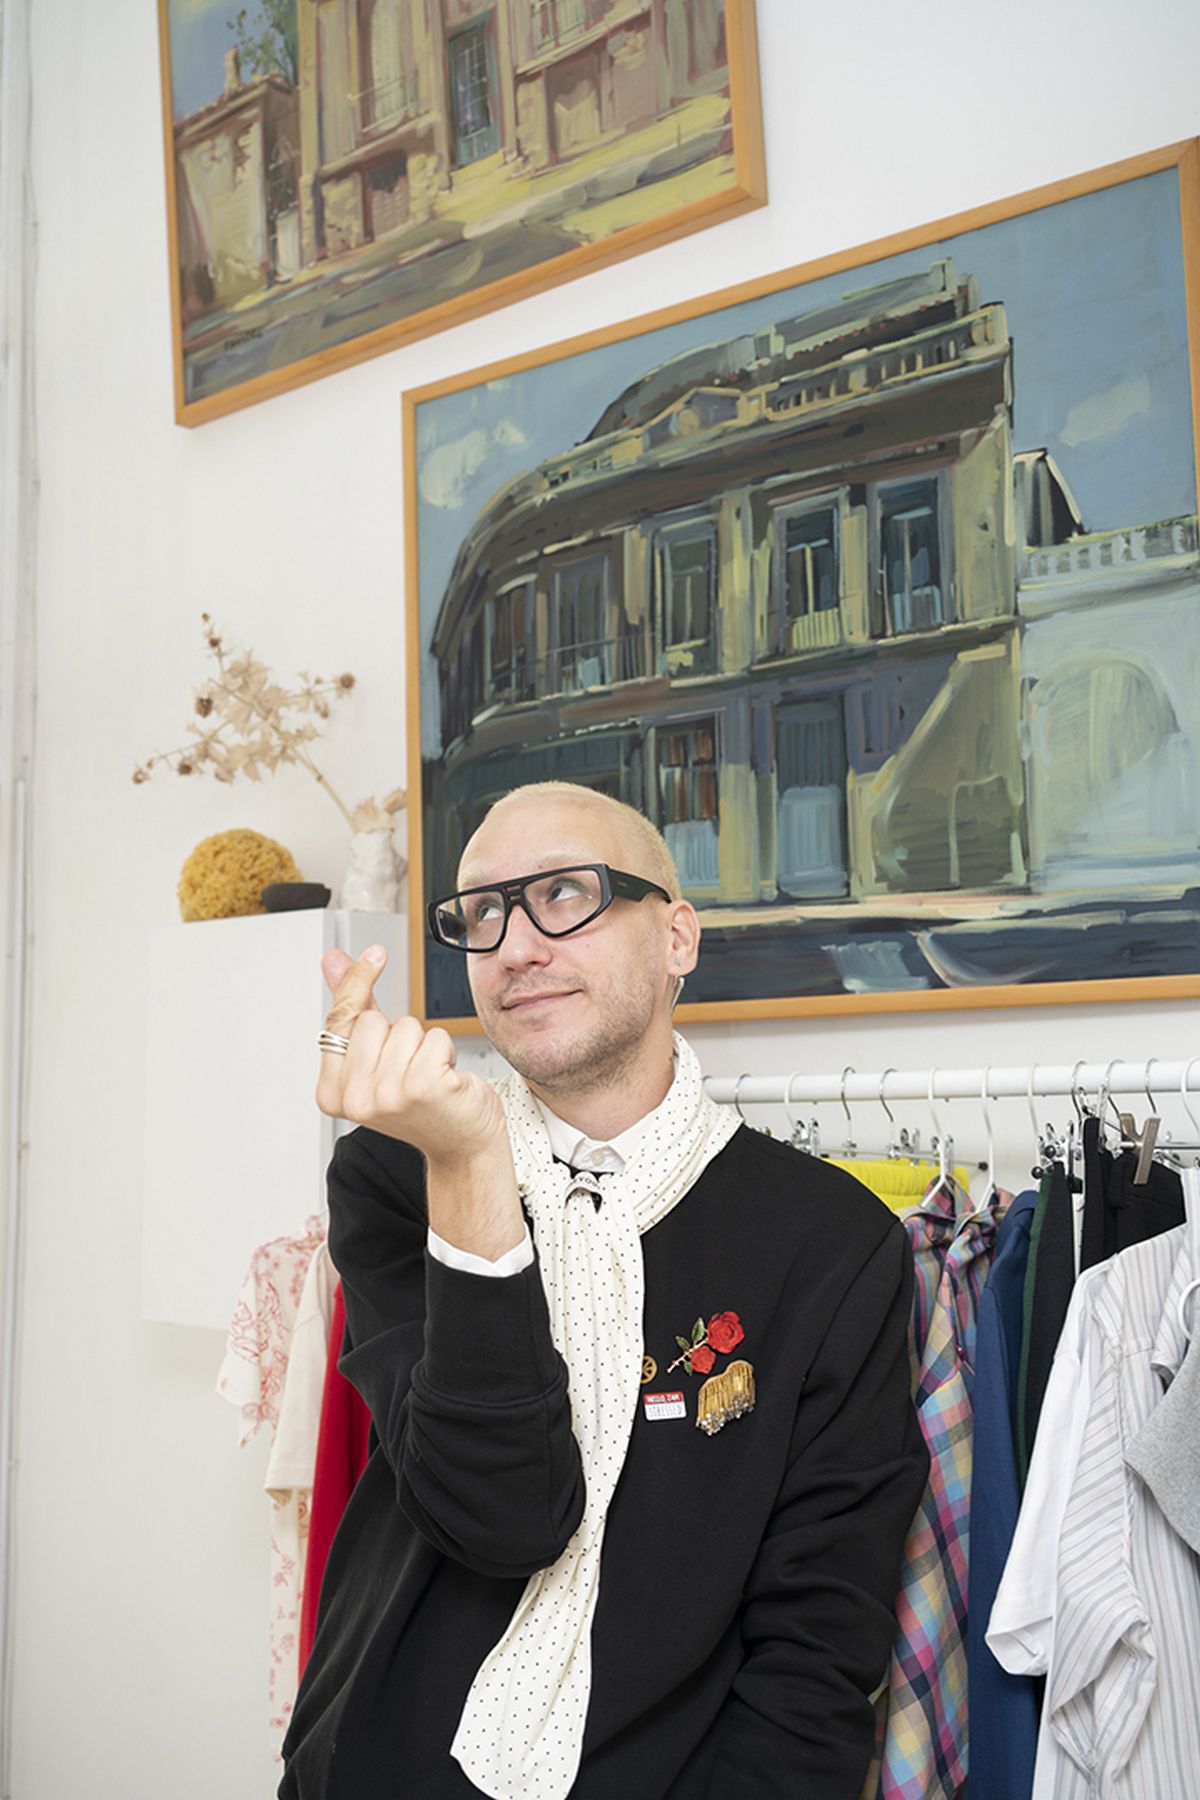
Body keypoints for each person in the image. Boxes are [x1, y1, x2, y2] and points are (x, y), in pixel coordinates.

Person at [280, 782, 928, 1799]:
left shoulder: (831, 1243)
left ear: (677, 939)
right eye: (482, 914)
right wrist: (471, 1169)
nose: (515, 947)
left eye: (564, 894)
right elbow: (501, 1518)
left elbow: (817, 1647)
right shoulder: (398, 1173)